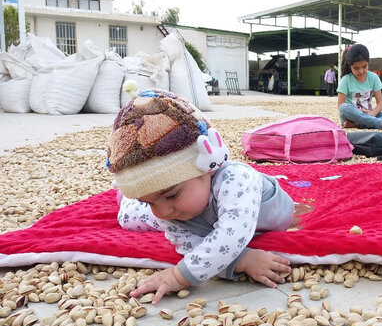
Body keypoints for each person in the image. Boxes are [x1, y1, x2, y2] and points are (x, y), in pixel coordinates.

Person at [107, 89, 294, 304]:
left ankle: (130, 198)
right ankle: (128, 199)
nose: (163, 212)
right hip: (198, 218)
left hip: (256, 211)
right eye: (148, 202)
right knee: (130, 219)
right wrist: (242, 260)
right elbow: (190, 246)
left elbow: (232, 234)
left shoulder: (236, 178)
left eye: (172, 195)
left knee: (146, 214)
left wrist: (178, 277)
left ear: (207, 169)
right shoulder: (168, 211)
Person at [337, 44, 382, 131]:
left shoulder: (373, 77)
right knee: (343, 107)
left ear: (368, 63)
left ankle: (359, 125)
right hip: (352, 117)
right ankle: (381, 123)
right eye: (356, 68)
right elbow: (341, 106)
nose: (361, 71)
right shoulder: (345, 80)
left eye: (364, 67)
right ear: (350, 66)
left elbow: (380, 103)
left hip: (370, 114)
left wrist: (372, 113)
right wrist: (361, 114)